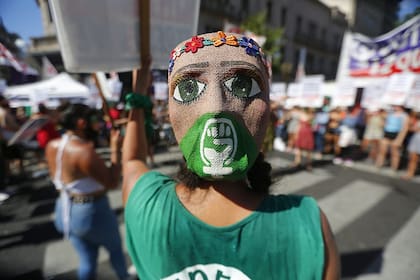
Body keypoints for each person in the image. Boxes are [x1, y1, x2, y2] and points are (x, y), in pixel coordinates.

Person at [122, 31, 340, 279]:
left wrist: (138, 93)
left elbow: (131, 161)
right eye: (189, 88)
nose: (216, 109)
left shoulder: (148, 204)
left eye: (243, 85)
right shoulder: (307, 227)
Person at [45, 103, 131, 280]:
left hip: (64, 208)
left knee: (87, 259)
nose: (98, 124)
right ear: (82, 123)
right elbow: (112, 183)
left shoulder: (53, 145)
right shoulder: (83, 151)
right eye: (94, 120)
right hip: (92, 212)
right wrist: (115, 148)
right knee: (115, 251)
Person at [375, 105, 409, 171]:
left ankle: (394, 168)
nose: (394, 107)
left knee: (395, 152)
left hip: (396, 134)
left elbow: (405, 128)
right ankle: (379, 164)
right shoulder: (390, 113)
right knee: (382, 150)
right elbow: (383, 124)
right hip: (387, 133)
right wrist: (382, 118)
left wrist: (399, 139)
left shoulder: (404, 115)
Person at [402, 111, 420, 180]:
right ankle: (410, 174)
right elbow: (412, 129)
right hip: (416, 139)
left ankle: (410, 174)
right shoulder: (417, 120)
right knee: (412, 159)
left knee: (413, 159)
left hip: (417, 140)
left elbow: (414, 129)